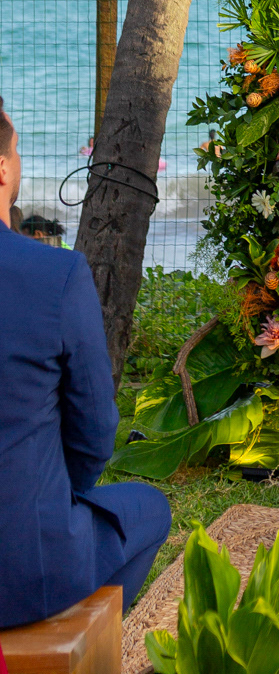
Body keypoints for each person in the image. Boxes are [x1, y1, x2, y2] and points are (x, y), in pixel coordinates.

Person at [0, 105, 171, 627]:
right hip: (22, 571)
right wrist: (60, 497)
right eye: (17, 151)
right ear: (2, 169)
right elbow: (94, 429)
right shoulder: (55, 274)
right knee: (149, 507)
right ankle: (72, 668)